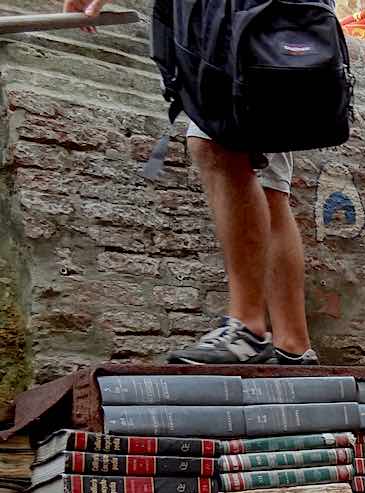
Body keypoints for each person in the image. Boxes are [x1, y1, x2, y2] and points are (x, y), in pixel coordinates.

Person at [64, 0, 317, 366]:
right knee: (268, 187)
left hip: (240, 24)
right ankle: (293, 344)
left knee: (214, 143)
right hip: (271, 30)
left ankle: (247, 328)